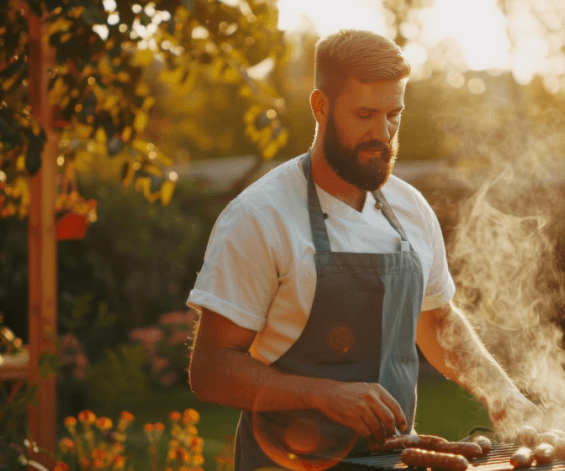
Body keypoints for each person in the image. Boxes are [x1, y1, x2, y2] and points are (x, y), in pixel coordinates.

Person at [187, 29, 541, 470]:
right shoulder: (261, 216)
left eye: (394, 114)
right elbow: (211, 370)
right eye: (365, 114)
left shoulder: (410, 209)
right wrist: (326, 395)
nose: (382, 133)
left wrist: (505, 396)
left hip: (390, 460)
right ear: (320, 106)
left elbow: (438, 321)